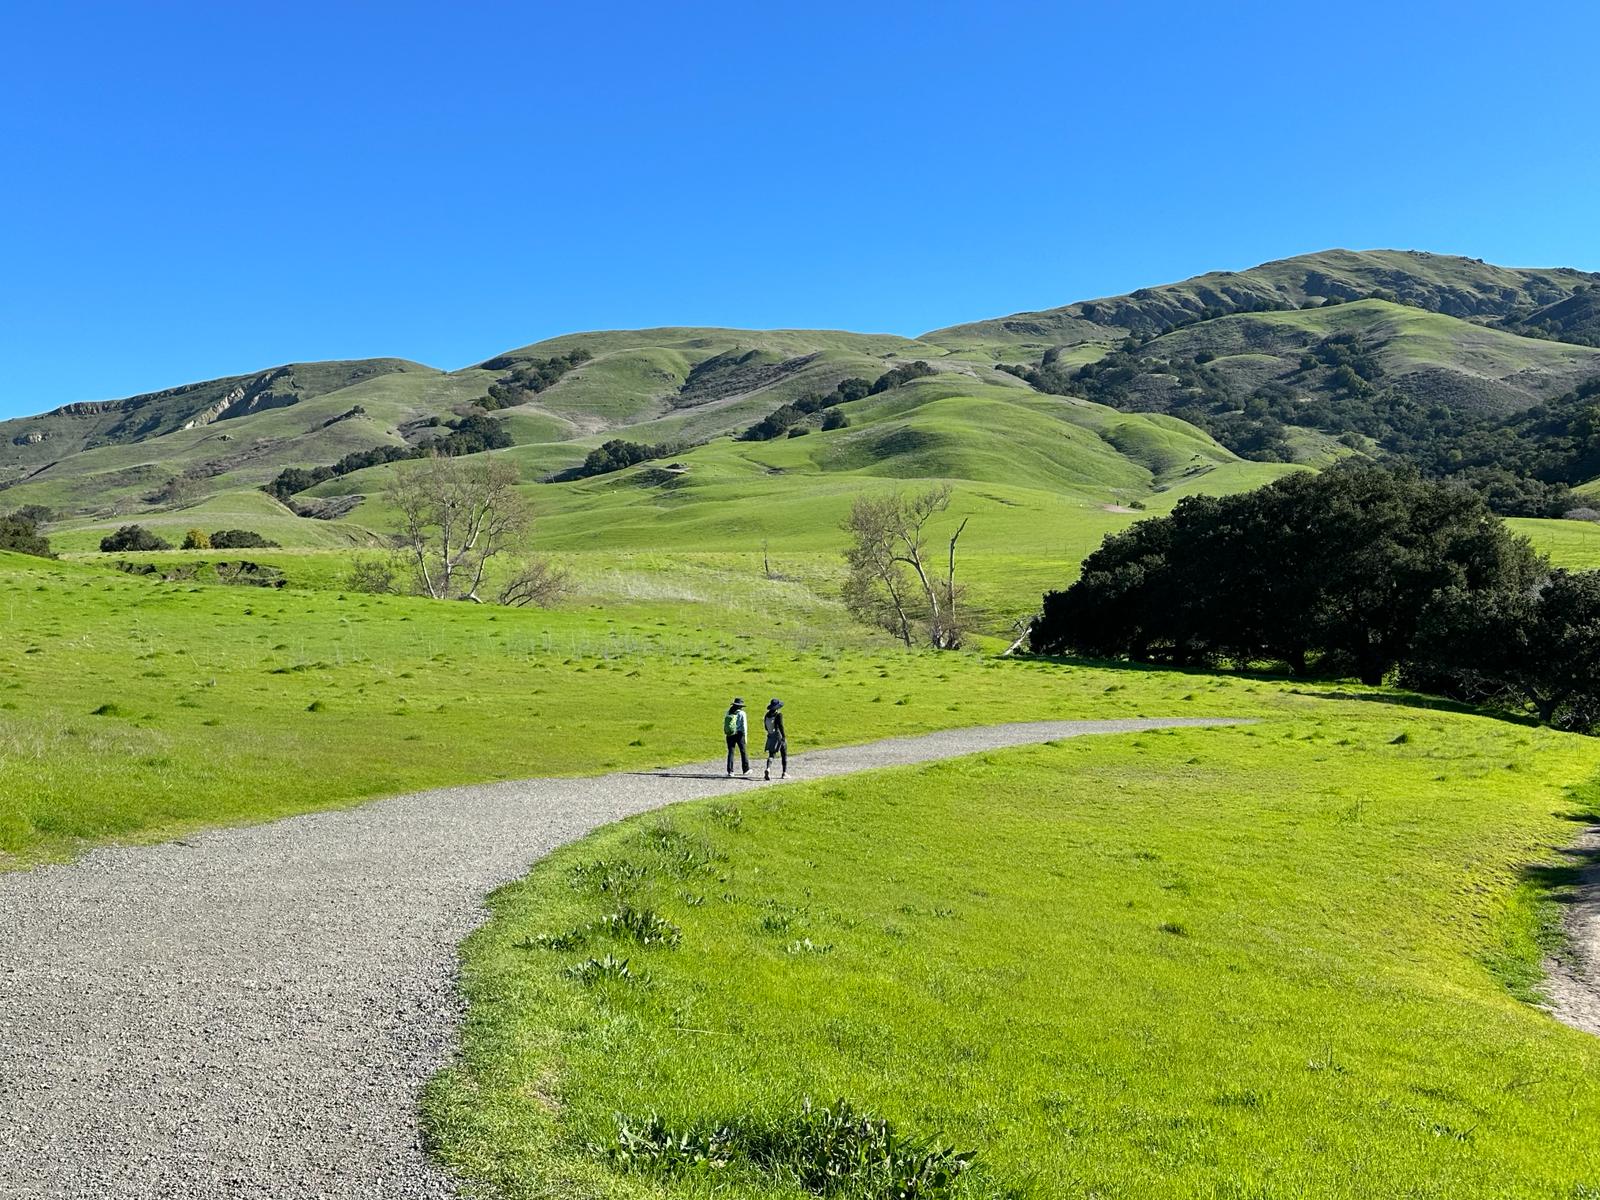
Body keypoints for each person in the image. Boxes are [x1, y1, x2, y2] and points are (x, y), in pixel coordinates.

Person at [723, 697, 749, 777]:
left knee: (731, 752)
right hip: (739, 734)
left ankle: (730, 771)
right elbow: (744, 726)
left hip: (730, 734)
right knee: (743, 751)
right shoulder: (742, 713)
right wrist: (745, 737)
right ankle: (746, 769)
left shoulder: (729, 712)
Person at [763, 698, 787, 780]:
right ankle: (784, 773)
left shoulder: (767, 715)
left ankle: (768, 768)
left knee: (771, 755)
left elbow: (766, 727)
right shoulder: (778, 715)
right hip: (778, 735)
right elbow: (781, 726)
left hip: (770, 735)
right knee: (784, 753)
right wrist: (784, 736)